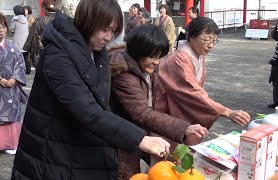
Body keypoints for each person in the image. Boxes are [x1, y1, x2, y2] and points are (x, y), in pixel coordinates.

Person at [11, 0, 170, 179]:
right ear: (88, 21)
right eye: (105, 29)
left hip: (73, 145)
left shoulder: (96, 51)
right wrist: (140, 139)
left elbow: (102, 104)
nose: (108, 37)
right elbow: (88, 111)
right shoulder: (58, 56)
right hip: (50, 151)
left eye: (113, 31)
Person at [109, 24, 208, 179]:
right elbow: (141, 112)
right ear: (137, 52)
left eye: (161, 56)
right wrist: (184, 128)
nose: (157, 62)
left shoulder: (145, 67)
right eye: (152, 56)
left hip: (137, 132)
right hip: (121, 138)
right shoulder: (123, 73)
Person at [155, 17, 250, 132]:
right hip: (164, 110)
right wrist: (226, 112)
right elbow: (192, 92)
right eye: (206, 40)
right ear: (192, 37)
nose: (211, 45)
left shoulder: (198, 55)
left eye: (214, 40)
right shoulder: (179, 59)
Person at [0, 12, 27, 155]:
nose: (1, 30)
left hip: (11, 87)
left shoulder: (11, 47)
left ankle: (10, 144)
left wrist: (14, 79)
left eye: (3, 27)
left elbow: (19, 64)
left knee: (11, 116)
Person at [23, 0, 56, 68]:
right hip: (60, 50)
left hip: (43, 50)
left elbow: (33, 35)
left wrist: (30, 49)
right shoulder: (63, 19)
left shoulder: (39, 20)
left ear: (43, 8)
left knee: (42, 71)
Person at [10, 5, 30, 74]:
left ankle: (18, 70)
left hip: (17, 40)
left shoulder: (14, 20)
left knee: (17, 56)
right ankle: (28, 70)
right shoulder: (26, 19)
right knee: (26, 56)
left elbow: (12, 29)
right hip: (26, 40)